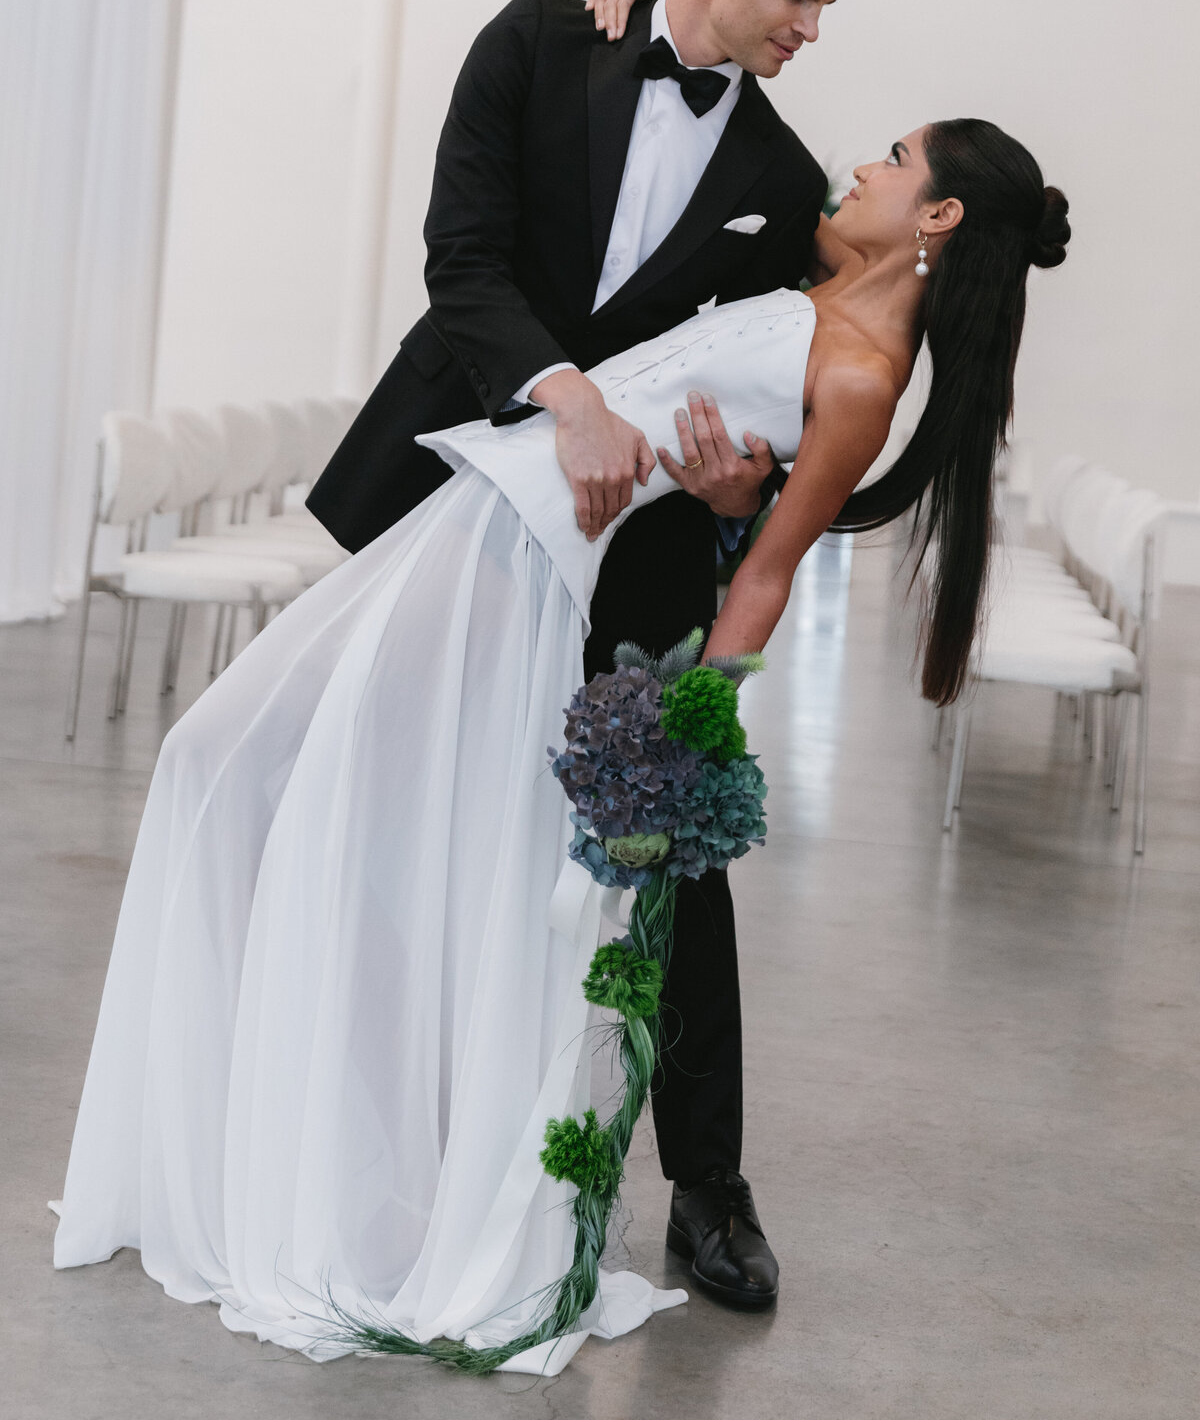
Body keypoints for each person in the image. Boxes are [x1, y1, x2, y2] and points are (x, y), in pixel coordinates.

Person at [52, 116, 1068, 1376]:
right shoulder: (805, 277)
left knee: (243, 759)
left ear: (939, 218)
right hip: (474, 510)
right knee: (236, 759)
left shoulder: (861, 374)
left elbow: (763, 576)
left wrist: (700, 723)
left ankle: (328, 1165)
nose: (862, 163)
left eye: (896, 159)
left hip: (525, 565)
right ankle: (230, 1131)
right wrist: (639, 3)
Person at [304, 0, 876, 1309]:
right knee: (386, 804)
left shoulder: (785, 175)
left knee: (670, 848)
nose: (808, 31)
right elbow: (463, 262)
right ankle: (367, 1123)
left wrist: (742, 495)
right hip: (446, 483)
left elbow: (818, 372)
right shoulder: (541, 39)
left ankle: (708, 1186)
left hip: (637, 559)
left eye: (822, 10)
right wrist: (571, 400)